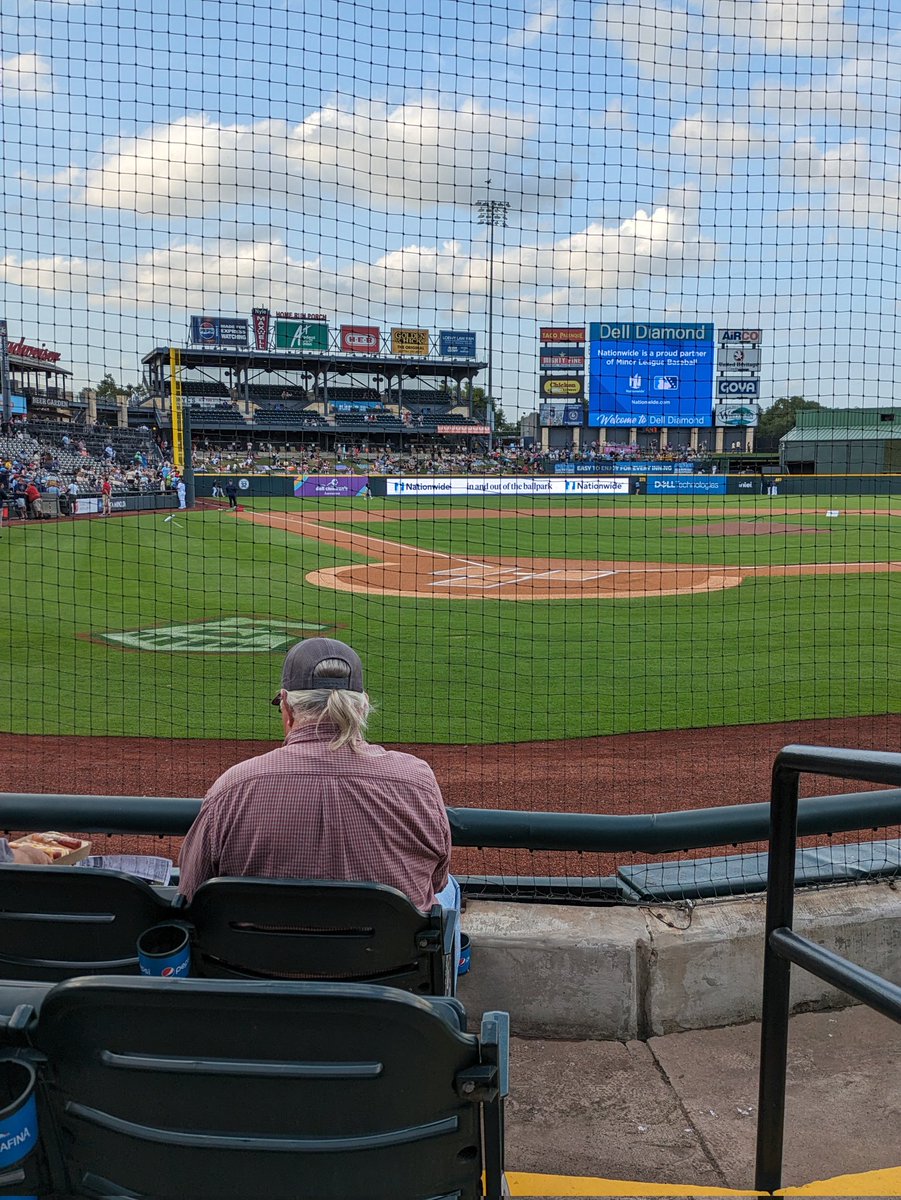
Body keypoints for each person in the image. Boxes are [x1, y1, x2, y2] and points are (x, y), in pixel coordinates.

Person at [178, 638, 460, 976]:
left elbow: (191, 896)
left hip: (258, 987)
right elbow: (438, 878)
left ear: (287, 708)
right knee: (450, 893)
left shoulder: (234, 786)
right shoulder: (416, 780)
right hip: (388, 996)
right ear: (363, 707)